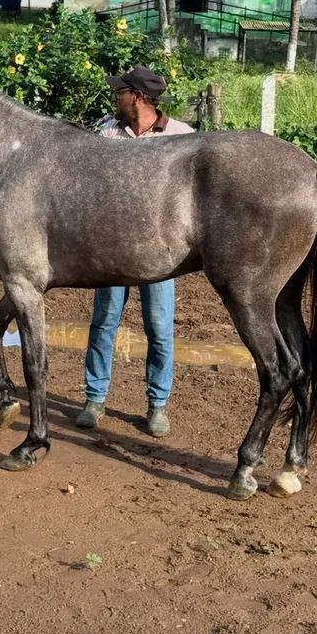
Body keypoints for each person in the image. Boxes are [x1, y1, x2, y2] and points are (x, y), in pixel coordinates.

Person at [76, 65, 194, 438]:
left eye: (120, 92)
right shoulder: (108, 134)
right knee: (103, 322)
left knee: (159, 327)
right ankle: (94, 399)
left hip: (159, 251)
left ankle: (157, 405)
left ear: (137, 97)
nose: (116, 97)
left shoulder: (181, 137)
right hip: (111, 249)